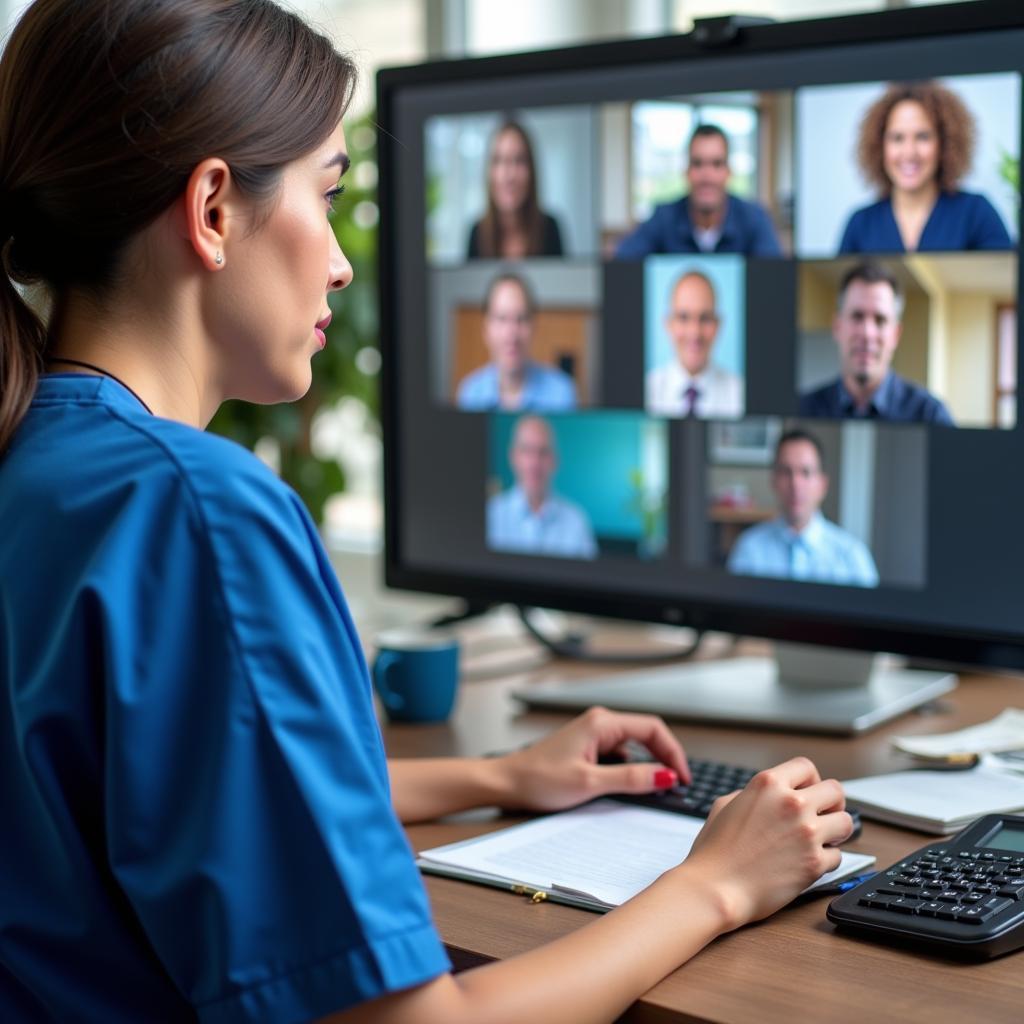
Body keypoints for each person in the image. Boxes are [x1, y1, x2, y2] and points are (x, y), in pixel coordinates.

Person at [0, 3, 853, 1022]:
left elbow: (159, 789)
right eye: (326, 195)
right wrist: (715, 881)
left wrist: (498, 775)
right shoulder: (200, 512)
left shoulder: (38, 460)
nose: (341, 262)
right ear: (215, 210)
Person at [838, 80, 1012, 253]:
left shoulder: (976, 214)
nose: (909, 152)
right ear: (880, 145)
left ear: (944, 143)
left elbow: (1008, 278)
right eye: (897, 138)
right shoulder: (860, 225)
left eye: (922, 137)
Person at [799, 262, 955, 424]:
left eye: (880, 320)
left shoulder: (931, 414)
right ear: (838, 327)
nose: (867, 333)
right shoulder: (802, 408)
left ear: (895, 334)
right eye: (857, 316)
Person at [728, 430, 880, 587]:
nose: (795, 484)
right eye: (786, 472)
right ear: (773, 481)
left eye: (805, 473)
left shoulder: (852, 555)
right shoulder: (749, 549)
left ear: (822, 485)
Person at [616, 124, 782, 258]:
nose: (707, 176)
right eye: (697, 163)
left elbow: (772, 278)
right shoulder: (663, 217)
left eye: (716, 164)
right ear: (686, 171)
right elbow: (623, 260)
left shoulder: (754, 218)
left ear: (728, 172)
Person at [455, 272, 577, 411]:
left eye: (521, 319)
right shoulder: (470, 393)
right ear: (486, 329)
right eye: (502, 318)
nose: (511, 333)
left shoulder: (562, 393)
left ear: (533, 327)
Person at [487, 415, 597, 558]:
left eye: (543, 452)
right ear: (513, 457)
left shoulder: (576, 521)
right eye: (527, 450)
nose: (535, 463)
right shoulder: (492, 514)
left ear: (554, 461)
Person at [645, 270, 744, 418]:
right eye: (684, 318)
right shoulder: (647, 390)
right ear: (668, 324)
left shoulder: (740, 393)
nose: (694, 333)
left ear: (718, 325)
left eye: (705, 318)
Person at [466, 121, 564, 259]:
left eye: (519, 161)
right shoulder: (476, 233)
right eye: (499, 161)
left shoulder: (550, 229)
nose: (509, 175)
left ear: (531, 171)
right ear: (489, 171)